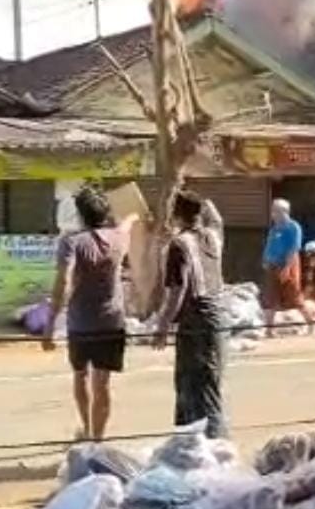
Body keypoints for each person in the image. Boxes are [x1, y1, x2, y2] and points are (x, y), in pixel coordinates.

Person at [42, 187, 131, 441]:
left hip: (81, 323)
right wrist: (134, 216)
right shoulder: (119, 238)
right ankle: (97, 439)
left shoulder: (71, 243)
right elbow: (127, 225)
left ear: (80, 215)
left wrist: (50, 324)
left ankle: (86, 428)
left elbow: (63, 283)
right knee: (102, 383)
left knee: (80, 376)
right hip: (112, 321)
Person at [153, 191, 228, 438]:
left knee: (192, 387)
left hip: (195, 320)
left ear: (176, 215)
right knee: (211, 384)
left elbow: (177, 291)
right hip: (219, 317)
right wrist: (203, 203)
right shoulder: (213, 236)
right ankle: (211, 441)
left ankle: (202, 443)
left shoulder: (179, 245)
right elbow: (216, 217)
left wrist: (163, 325)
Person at [262, 198, 308, 336]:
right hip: (273, 265)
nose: (273, 214)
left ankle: (312, 323)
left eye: (275, 211)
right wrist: (265, 260)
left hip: (288, 264)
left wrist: (287, 268)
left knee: (295, 296)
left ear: (284, 212)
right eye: (273, 211)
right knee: (270, 298)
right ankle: (269, 330)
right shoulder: (274, 229)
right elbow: (269, 246)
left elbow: (293, 249)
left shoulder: (293, 227)